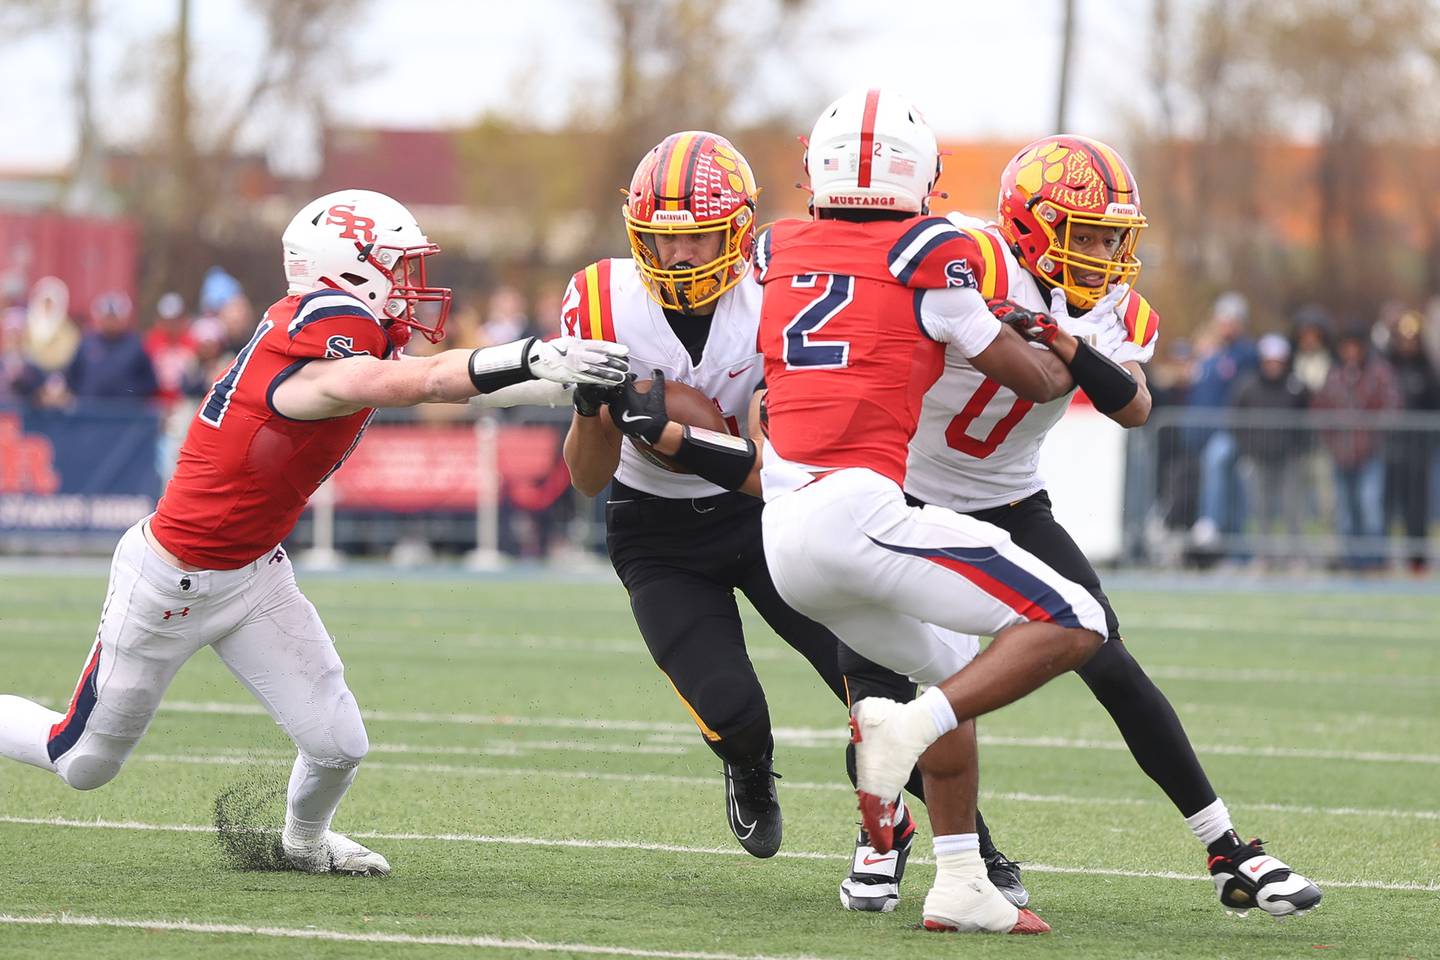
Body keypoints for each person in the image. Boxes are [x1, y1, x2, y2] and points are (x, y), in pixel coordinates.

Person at [0, 188, 629, 876]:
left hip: (253, 574)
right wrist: (535, 359)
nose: (410, 286)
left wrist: (571, 382)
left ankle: (303, 842)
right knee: (83, 761)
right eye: (398, 267)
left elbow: (439, 382)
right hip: (169, 583)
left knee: (338, 744)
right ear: (350, 271)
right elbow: (423, 384)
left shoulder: (328, 345)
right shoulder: (317, 356)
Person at [892, 135, 1321, 919]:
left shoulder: (1122, 307)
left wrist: (1061, 338)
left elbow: (1132, 405)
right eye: (1081, 232)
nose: (1098, 251)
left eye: (1108, 235)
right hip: (907, 496)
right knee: (896, 679)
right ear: (1027, 224)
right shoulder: (969, 262)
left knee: (1107, 655)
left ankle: (1228, 848)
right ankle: (953, 849)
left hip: (1013, 500)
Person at [754, 89, 1116, 935]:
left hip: (782, 532)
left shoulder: (774, 246)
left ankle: (959, 881)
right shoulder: (932, 248)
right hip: (858, 509)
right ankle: (903, 731)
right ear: (922, 175)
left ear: (820, 167)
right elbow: (1034, 381)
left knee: (956, 667)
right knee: (1077, 618)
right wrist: (1064, 340)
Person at [561, 130, 912, 865]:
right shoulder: (602, 298)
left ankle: (974, 844)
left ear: (738, 231)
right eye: (659, 241)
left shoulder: (778, 298)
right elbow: (588, 479)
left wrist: (679, 433)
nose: (677, 258)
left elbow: (771, 469)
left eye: (696, 239)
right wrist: (595, 412)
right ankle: (749, 766)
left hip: (767, 515)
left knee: (877, 682)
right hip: (656, 535)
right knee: (734, 713)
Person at [1313, 325, 1401, 570]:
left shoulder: (1379, 373)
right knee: (1345, 510)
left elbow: (1392, 407)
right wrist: (1331, 439)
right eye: (1346, 347)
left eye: (1354, 347)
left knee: (1370, 505)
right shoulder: (1334, 375)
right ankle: (1351, 560)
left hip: (1370, 453)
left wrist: (1371, 433)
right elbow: (1319, 409)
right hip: (1340, 454)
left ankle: (1375, 560)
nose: (1350, 352)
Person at [1233, 333, 1311, 560]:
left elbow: (1308, 418)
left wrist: (1301, 449)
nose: (1273, 366)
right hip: (1259, 456)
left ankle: (1295, 557)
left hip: (1290, 457)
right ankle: (1263, 557)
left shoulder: (1296, 386)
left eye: (1277, 361)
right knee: (1261, 509)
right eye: (1269, 361)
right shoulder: (1249, 387)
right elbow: (1237, 419)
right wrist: (1248, 447)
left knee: (1292, 509)